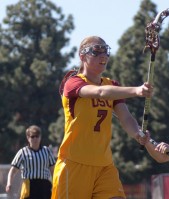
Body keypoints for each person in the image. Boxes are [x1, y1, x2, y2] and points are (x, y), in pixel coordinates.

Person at [51, 36, 153, 199]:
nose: (103, 56)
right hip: (74, 163)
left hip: (104, 164)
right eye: (97, 51)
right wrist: (137, 90)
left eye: (106, 51)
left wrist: (137, 134)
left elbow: (125, 117)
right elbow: (100, 92)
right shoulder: (73, 83)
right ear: (82, 56)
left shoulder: (112, 85)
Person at [6, 125, 56, 199]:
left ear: (40, 137)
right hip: (29, 186)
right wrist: (9, 183)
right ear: (28, 138)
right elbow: (13, 171)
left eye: (37, 136)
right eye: (32, 136)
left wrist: (56, 183)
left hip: (44, 187)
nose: (35, 139)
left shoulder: (47, 151)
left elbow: (53, 171)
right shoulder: (22, 152)